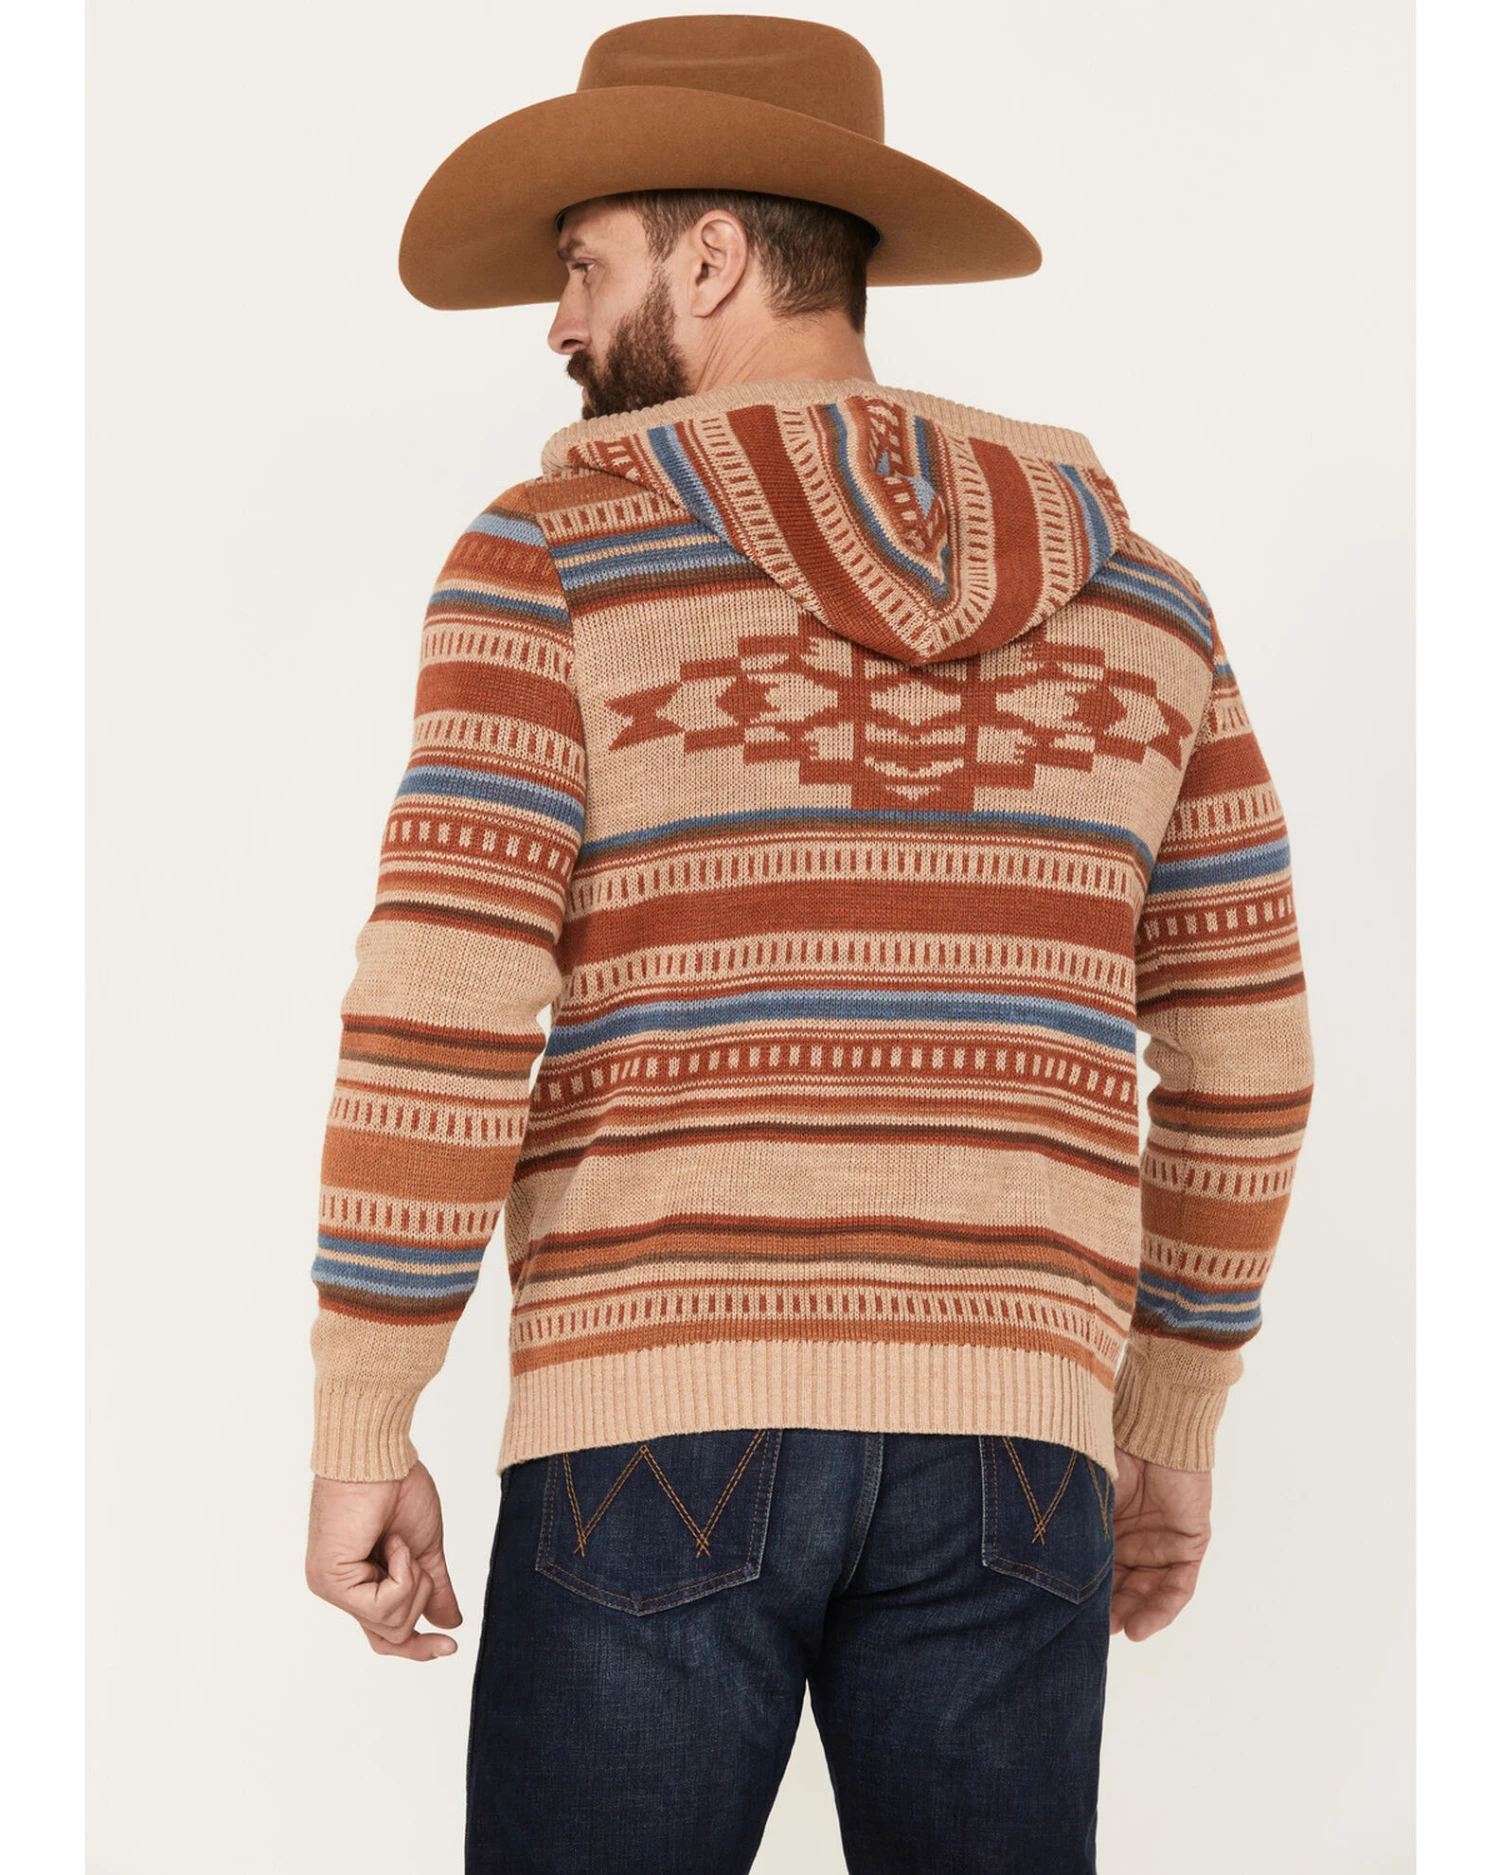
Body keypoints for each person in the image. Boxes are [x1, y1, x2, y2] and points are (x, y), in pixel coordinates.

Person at [303, 17, 1316, 1874]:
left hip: (652, 1412)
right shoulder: (1148, 603)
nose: (557, 323)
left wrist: (368, 1408)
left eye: (582, 265)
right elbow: (1247, 1047)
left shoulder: (554, 557)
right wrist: (1169, 1411)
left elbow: (442, 1006)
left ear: (711, 259)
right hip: (1019, 1440)